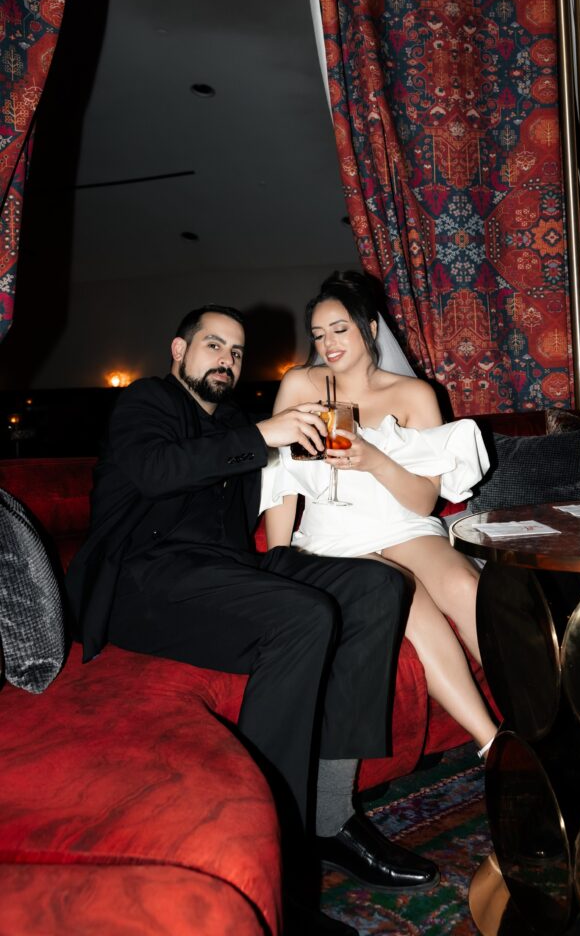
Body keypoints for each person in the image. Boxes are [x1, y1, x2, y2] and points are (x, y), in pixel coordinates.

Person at [66, 304, 438, 936]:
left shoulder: (236, 420)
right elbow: (158, 472)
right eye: (214, 346)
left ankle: (330, 819)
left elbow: (277, 494)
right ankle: (274, 861)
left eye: (236, 353)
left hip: (226, 570)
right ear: (179, 351)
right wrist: (267, 435)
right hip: (144, 580)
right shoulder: (146, 404)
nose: (227, 361)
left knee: (375, 584)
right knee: (302, 618)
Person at [263, 273, 498, 759]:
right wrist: (279, 554)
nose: (327, 343)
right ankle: (494, 743)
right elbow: (280, 482)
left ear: (369, 328)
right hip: (332, 534)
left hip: (404, 524)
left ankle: (540, 720)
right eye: (319, 333)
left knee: (466, 586)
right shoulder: (299, 384)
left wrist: (374, 458)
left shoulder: (414, 395)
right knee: (406, 597)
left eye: (339, 329)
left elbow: (423, 503)